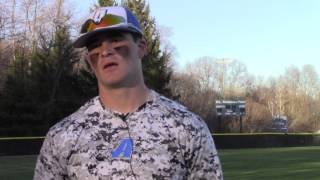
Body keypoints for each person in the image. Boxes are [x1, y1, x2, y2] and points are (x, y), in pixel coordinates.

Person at [34, 6, 223, 180]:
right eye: (95, 45)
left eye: (115, 39)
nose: (105, 51)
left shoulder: (187, 127)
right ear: (89, 62)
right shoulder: (63, 135)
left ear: (141, 47)